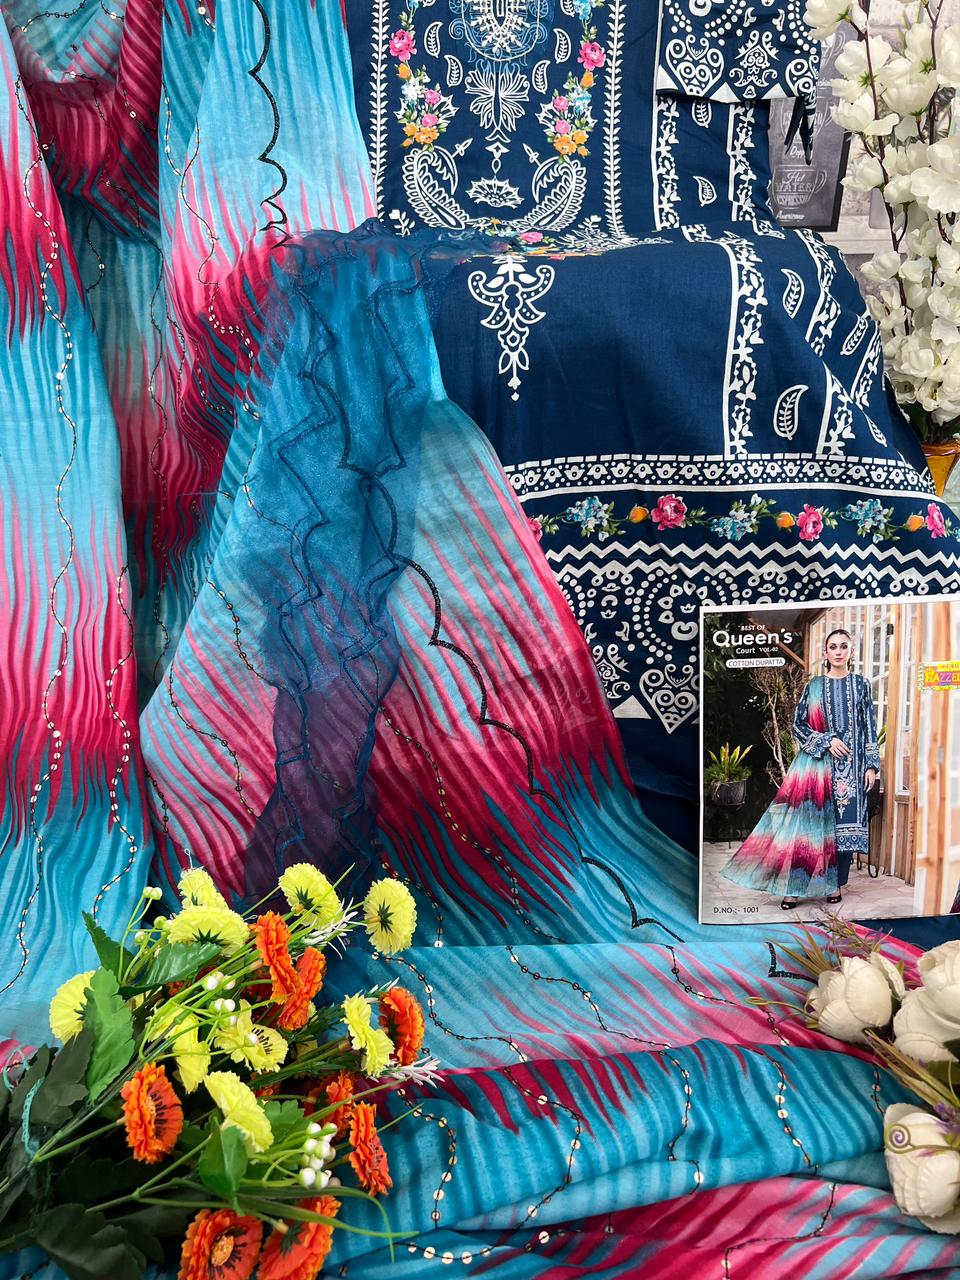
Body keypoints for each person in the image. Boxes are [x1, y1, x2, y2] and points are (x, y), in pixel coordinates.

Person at [722, 629, 881, 910]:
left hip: (851, 769)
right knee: (806, 829)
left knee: (840, 832)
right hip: (816, 768)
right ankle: (794, 888)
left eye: (844, 646)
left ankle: (833, 885)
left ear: (851, 651)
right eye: (833, 646)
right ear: (825, 653)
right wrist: (827, 740)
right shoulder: (814, 686)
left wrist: (871, 766)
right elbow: (799, 725)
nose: (839, 651)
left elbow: (869, 725)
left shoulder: (861, 685)